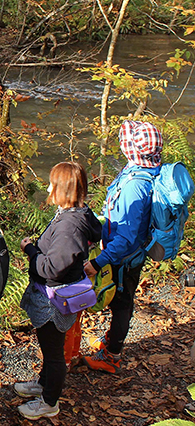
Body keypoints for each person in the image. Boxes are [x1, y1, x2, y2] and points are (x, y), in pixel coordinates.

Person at [15, 162, 102, 420]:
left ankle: (49, 402)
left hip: (55, 299)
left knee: (54, 354)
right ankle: (43, 384)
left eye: (53, 183)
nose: (49, 187)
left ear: (63, 189)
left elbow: (52, 268)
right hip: (58, 294)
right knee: (49, 346)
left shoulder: (69, 226)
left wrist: (30, 250)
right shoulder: (79, 213)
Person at [83, 120, 163, 374]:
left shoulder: (135, 186)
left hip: (124, 257)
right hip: (127, 252)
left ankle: (112, 355)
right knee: (120, 299)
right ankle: (111, 341)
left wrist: (98, 262)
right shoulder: (146, 168)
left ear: (134, 149)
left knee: (121, 304)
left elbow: (127, 237)